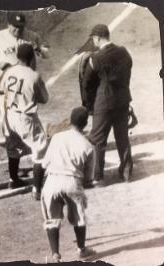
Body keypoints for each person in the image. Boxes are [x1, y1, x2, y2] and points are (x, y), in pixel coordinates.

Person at [41, 106, 96, 262]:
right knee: (79, 218)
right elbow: (88, 179)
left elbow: (43, 164)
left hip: (51, 181)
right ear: (85, 124)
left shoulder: (56, 137)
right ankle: (81, 250)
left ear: (70, 120)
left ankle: (55, 255)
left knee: (51, 220)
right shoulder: (88, 146)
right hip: (72, 181)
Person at [81, 24, 133, 186]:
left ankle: (98, 176)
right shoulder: (124, 52)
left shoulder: (95, 58)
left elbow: (87, 84)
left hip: (104, 103)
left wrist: (89, 106)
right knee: (122, 137)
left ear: (97, 38)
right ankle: (126, 173)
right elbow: (128, 72)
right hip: (123, 99)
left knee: (98, 140)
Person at [0, 43, 48, 200]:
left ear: (18, 57)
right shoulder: (34, 75)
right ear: (32, 58)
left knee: (13, 147)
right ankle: (37, 189)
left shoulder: (8, 71)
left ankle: (13, 179)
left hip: (9, 116)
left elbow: (0, 89)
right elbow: (44, 99)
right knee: (40, 149)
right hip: (25, 118)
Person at [0, 12, 49, 115]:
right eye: (15, 26)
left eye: (21, 27)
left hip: (26, 83)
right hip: (6, 83)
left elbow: (47, 54)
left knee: (27, 115)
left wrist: (38, 49)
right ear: (9, 24)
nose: (18, 30)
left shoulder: (32, 36)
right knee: (7, 116)